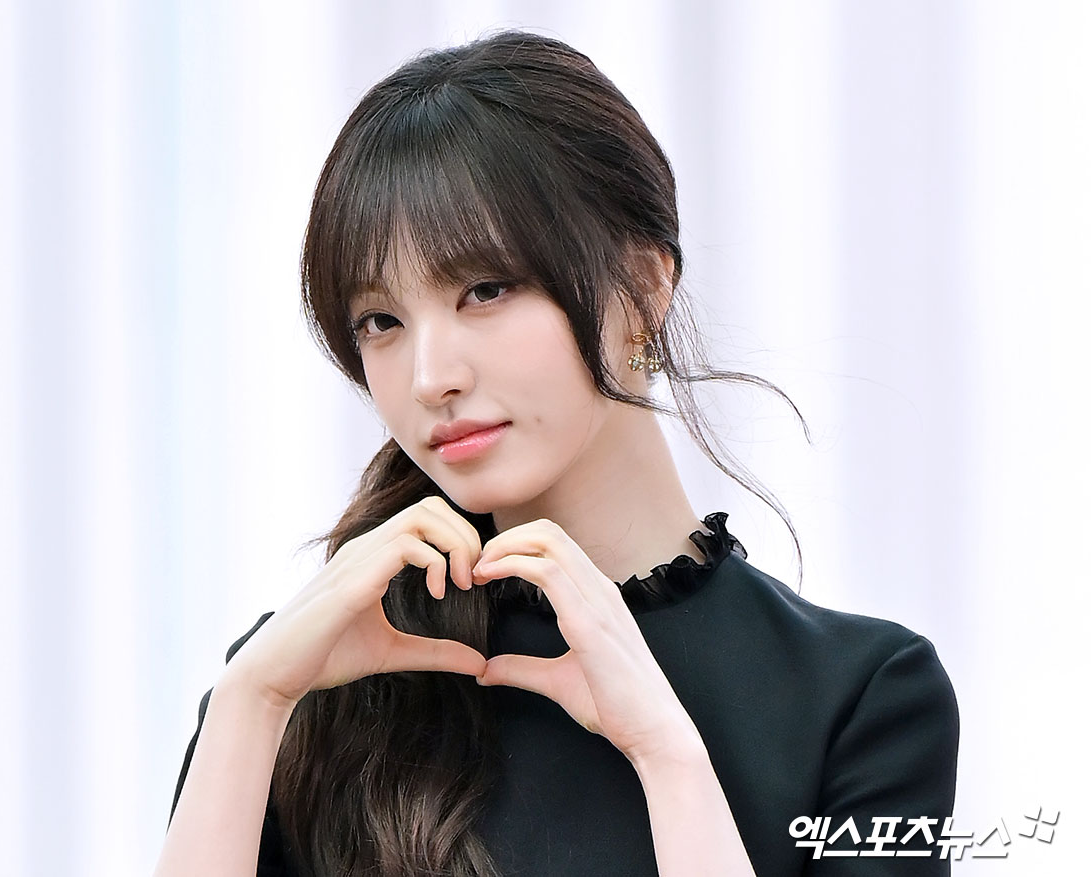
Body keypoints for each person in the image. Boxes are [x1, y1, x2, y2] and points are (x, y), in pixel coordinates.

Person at [154, 30, 959, 877]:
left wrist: (668, 756)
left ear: (641, 290)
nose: (430, 377)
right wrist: (248, 704)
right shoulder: (301, 677)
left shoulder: (865, 699)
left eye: (485, 290)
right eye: (381, 321)